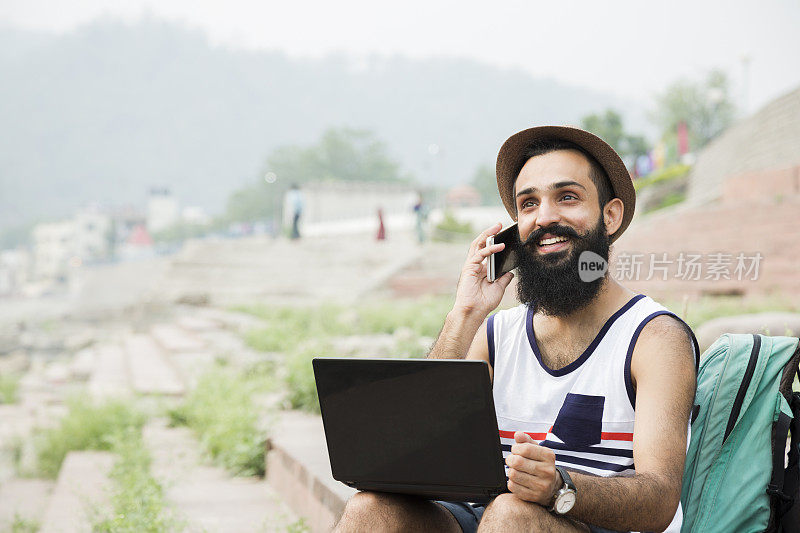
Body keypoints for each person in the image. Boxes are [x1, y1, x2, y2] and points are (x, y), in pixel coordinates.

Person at [334, 126, 698, 533]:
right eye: (528, 204)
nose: (545, 218)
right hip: (487, 518)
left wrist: (560, 486)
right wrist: (464, 313)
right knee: (370, 510)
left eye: (567, 197)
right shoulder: (495, 334)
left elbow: (659, 499)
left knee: (512, 516)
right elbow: (413, 445)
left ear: (610, 216)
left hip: (584, 524)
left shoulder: (654, 337)